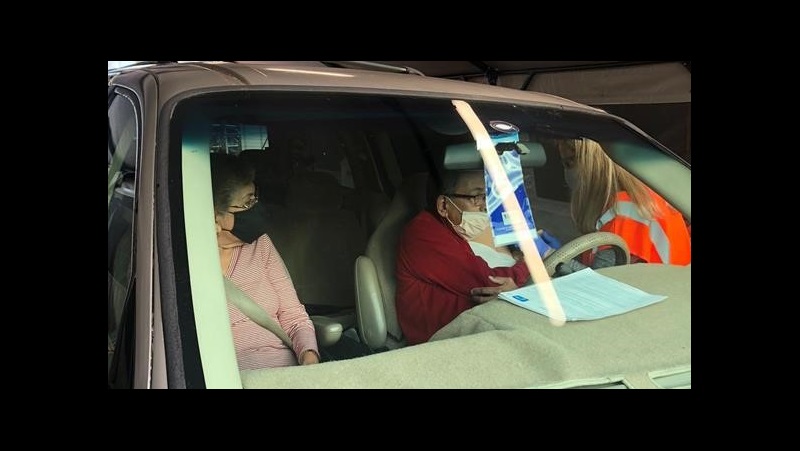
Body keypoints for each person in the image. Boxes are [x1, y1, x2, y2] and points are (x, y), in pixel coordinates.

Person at [395, 169, 556, 345]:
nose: (485, 206)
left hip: (479, 330)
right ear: (443, 205)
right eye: (477, 197)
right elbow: (489, 284)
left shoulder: (451, 229)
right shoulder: (422, 233)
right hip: (443, 344)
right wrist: (531, 262)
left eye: (487, 196)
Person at [211, 152, 320, 370]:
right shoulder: (187, 262)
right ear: (215, 215)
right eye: (247, 203)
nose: (257, 208)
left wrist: (310, 357)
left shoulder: (261, 245)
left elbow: (294, 315)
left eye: (255, 198)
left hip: (285, 372)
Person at [556, 137, 691, 270]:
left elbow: (602, 285)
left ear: (592, 165)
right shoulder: (645, 197)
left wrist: (552, 257)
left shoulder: (623, 217)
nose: (567, 172)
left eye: (569, 163)